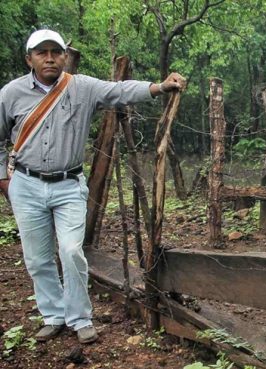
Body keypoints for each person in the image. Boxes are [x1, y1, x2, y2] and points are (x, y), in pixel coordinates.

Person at [0, 29, 185, 344]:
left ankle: (80, 318)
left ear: (64, 56)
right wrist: (4, 179)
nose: (49, 58)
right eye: (41, 52)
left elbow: (119, 91)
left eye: (55, 52)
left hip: (68, 184)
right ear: (28, 58)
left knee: (72, 250)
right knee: (37, 257)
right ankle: (53, 315)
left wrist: (158, 87)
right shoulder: (10, 94)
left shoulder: (81, 87)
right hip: (26, 185)